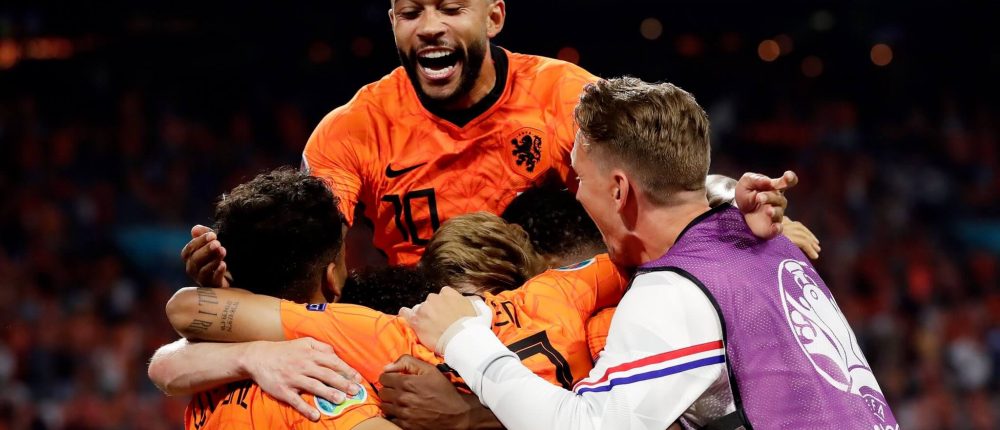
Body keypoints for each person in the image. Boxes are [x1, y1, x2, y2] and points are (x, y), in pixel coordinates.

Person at [401, 77, 897, 429]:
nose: (577, 193)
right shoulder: (762, 237)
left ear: (619, 190)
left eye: (580, 177)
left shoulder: (673, 292)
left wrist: (464, 337)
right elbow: (679, 194)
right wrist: (724, 189)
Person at [179, 0, 794, 283]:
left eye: (450, 9)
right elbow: (313, 250)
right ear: (392, 22)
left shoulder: (563, 94)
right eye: (411, 12)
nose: (430, 28)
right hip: (423, 323)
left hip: (560, 308)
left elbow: (660, 181)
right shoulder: (353, 129)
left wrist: (728, 201)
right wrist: (239, 272)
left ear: (494, 17)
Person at [159, 168, 396, 429]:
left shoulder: (207, 380)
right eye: (343, 259)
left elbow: (164, 360)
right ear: (331, 278)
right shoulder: (325, 385)